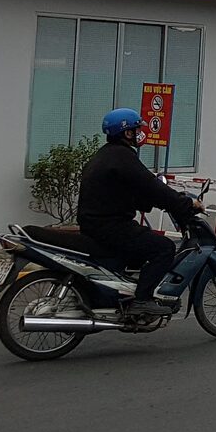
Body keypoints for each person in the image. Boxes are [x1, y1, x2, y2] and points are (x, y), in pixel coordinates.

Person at [77, 109, 202, 316]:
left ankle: (124, 295)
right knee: (163, 248)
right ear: (127, 133)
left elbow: (135, 190)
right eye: (136, 129)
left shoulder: (106, 155)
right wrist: (186, 203)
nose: (139, 133)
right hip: (111, 227)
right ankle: (142, 300)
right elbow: (152, 186)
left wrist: (158, 202)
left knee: (139, 250)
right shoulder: (123, 157)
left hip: (96, 225)